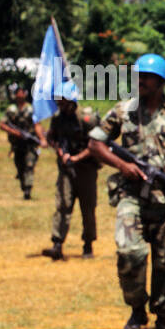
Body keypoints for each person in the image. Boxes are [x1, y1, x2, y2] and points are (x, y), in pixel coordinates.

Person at [88, 53, 165, 329]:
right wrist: (122, 165)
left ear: (162, 82)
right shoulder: (123, 111)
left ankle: (162, 319)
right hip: (132, 195)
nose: (141, 82)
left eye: (147, 78)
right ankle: (137, 310)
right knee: (129, 253)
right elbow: (95, 143)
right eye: (138, 77)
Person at [39, 83, 100, 260]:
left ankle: (88, 244)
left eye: (62, 100)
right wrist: (59, 151)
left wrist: (77, 158)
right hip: (66, 169)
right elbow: (51, 137)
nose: (59, 103)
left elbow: (97, 145)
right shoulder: (58, 118)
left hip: (86, 169)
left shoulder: (87, 119)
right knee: (63, 205)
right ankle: (57, 244)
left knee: (87, 208)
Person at [0, 87, 39, 199]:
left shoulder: (31, 109)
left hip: (29, 144)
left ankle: (28, 190)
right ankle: (24, 185)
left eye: (22, 93)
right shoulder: (11, 110)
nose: (20, 96)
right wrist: (14, 132)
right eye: (18, 94)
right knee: (20, 167)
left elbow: (37, 125)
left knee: (29, 165)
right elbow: (2, 124)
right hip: (17, 145)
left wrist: (41, 138)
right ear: (15, 95)